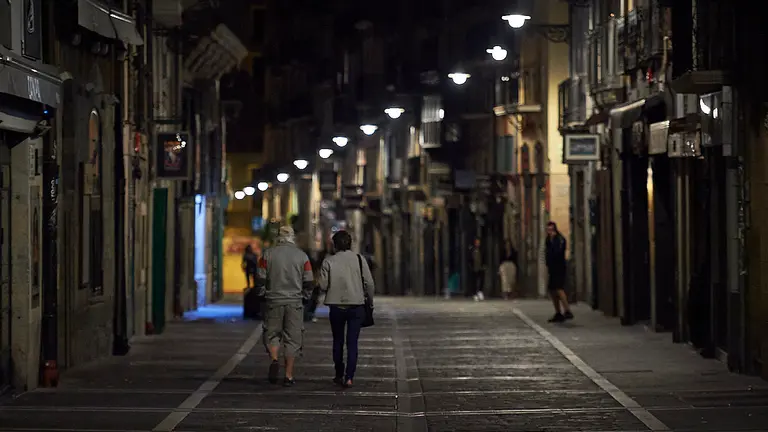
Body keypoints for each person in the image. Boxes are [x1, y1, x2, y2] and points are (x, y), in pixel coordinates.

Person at [255, 226, 314, 386]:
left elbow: (260, 278)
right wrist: (305, 297)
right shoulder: (302, 256)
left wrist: (262, 294)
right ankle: (288, 375)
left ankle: (274, 359)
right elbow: (309, 281)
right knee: (292, 339)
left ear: (278, 237)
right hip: (294, 302)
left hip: (273, 300)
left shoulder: (267, 255)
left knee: (272, 334)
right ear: (292, 238)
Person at [318, 230, 375, 388]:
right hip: (356, 305)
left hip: (336, 306)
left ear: (334, 245)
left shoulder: (328, 261)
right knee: (352, 342)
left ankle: (338, 373)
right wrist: (370, 302)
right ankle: (349, 377)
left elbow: (323, 285)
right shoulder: (359, 259)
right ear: (350, 244)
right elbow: (369, 284)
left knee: (338, 340)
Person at [545, 222, 573, 322]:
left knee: (559, 288)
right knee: (552, 289)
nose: (550, 232)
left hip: (559, 267)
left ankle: (567, 310)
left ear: (555, 230)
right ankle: (558, 312)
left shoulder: (560, 239)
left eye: (551, 230)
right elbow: (547, 253)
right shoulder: (548, 240)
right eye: (548, 230)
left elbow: (558, 252)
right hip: (552, 268)